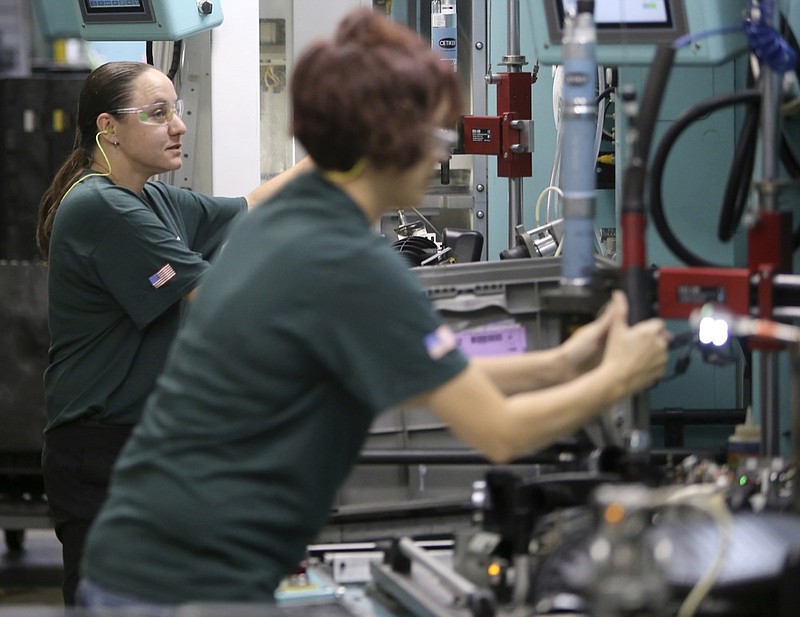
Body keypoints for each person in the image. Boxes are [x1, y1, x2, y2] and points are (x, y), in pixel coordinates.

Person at [78, 9, 668, 609]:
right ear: (386, 143)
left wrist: (566, 363)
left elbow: (432, 379)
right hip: (183, 586)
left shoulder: (288, 220)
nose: (441, 151)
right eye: (434, 134)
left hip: (142, 558)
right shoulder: (348, 262)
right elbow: (498, 430)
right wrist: (622, 376)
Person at [35, 60, 311, 605]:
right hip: (100, 449)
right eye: (158, 113)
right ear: (108, 128)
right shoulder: (101, 207)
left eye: (176, 110)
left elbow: (250, 208)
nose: (178, 125)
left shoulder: (151, 198)